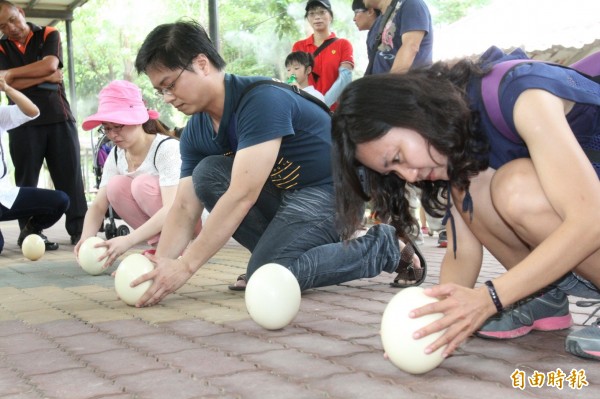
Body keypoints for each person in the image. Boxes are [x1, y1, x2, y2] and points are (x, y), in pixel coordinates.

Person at [130, 20, 425, 307]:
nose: (168, 98)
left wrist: (185, 267)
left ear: (202, 64)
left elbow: (242, 195)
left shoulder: (260, 101)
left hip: (331, 193)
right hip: (287, 198)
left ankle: (382, 246)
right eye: (160, 91)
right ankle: (275, 262)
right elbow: (183, 207)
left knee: (267, 273)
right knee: (208, 173)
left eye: (170, 85)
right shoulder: (197, 129)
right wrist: (162, 266)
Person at [330, 49, 600, 361]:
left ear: (413, 113)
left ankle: (530, 288)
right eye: (392, 172)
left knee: (515, 187)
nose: (408, 175)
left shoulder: (520, 93)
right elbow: (461, 253)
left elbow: (590, 220)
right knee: (472, 187)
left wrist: (490, 299)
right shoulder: (456, 144)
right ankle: (541, 295)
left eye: (398, 158)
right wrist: (438, 323)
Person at [0, 0, 87, 245]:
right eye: (3, 26)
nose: (11, 28)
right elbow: (12, 84)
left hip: (59, 116)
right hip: (21, 122)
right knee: (26, 180)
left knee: (69, 175)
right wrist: (45, 77)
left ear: (21, 13)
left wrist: (12, 75)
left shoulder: (49, 33)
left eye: (13, 20)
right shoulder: (1, 48)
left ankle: (80, 230)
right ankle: (30, 233)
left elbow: (51, 65)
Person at [75, 80, 183, 268]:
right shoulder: (117, 155)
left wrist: (128, 240)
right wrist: (85, 239)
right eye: (107, 128)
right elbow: (99, 205)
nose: (113, 134)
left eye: (119, 126)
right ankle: (162, 248)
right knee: (115, 186)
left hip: (191, 220)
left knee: (140, 184)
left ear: (139, 119)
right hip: (168, 222)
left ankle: (175, 247)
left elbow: (173, 208)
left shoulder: (166, 148)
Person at [0, 77, 69, 253]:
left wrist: (7, 88)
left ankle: (30, 230)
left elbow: (32, 112)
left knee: (60, 200)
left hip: (5, 196)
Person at [292, 0, 354, 109]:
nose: (317, 17)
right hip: (307, 110)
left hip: (336, 111)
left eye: (322, 12)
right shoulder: (299, 47)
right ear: (308, 18)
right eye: (312, 13)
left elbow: (345, 78)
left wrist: (323, 105)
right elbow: (292, 78)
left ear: (330, 16)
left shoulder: (343, 44)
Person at [364, 0, 433, 75]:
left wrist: (391, 83)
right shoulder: (377, 23)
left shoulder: (411, 4)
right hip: (383, 84)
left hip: (409, 84)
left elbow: (411, 46)